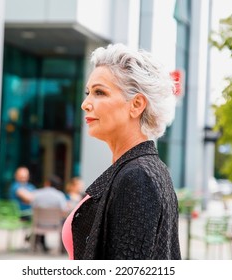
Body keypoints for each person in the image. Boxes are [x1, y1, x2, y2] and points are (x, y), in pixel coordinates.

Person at [62, 43, 181, 260]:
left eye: (99, 92)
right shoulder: (140, 169)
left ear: (136, 105)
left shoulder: (138, 176)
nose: (85, 104)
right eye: (88, 93)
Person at [31, 174, 68, 252]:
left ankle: (34, 243)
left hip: (38, 224)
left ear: (47, 183)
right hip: (55, 225)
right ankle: (62, 248)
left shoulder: (36, 193)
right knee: (65, 220)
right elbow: (64, 210)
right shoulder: (60, 195)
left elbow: (32, 206)